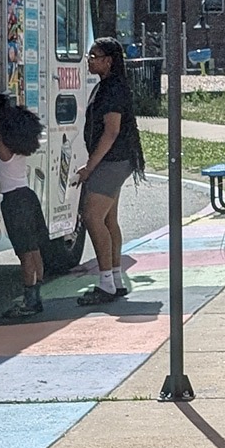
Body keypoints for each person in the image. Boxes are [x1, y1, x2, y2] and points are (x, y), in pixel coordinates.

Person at [73, 37, 145, 302]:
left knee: (92, 217)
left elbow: (111, 131)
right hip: (116, 160)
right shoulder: (107, 86)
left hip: (112, 160)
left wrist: (90, 167)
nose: (89, 61)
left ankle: (105, 284)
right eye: (89, 55)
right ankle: (115, 279)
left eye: (95, 56)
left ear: (109, 61)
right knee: (107, 220)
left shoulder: (112, 89)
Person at [0, 94, 50, 318]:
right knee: (34, 249)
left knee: (24, 253)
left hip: (14, 201)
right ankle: (36, 296)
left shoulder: (4, 148)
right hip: (28, 197)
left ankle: (29, 300)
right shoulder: (21, 149)